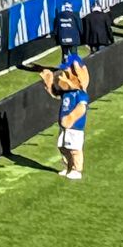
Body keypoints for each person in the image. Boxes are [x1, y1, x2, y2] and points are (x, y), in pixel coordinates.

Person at [42, 51, 90, 181]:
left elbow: (82, 108)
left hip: (75, 126)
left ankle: (77, 170)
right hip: (63, 126)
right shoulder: (66, 92)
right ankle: (68, 166)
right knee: (63, 147)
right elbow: (56, 95)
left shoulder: (80, 93)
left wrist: (71, 118)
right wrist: (49, 85)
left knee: (74, 149)